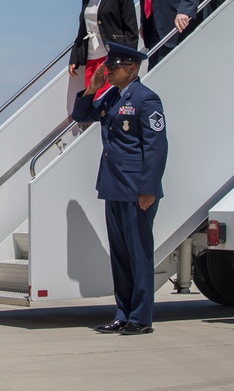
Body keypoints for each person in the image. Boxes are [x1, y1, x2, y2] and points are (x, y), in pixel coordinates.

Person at [70, 43, 168, 335]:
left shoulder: (146, 99)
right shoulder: (112, 95)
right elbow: (82, 116)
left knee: (139, 255)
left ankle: (141, 317)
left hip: (137, 189)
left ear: (133, 68)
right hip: (113, 185)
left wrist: (148, 187)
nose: (108, 71)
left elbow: (156, 147)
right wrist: (92, 89)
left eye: (114, 67)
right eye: (108, 67)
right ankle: (123, 313)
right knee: (121, 256)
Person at [68, 0, 139, 95]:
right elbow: (83, 29)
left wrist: (130, 59)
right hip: (91, 60)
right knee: (93, 104)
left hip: (111, 59)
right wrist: (74, 57)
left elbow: (130, 28)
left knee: (109, 102)